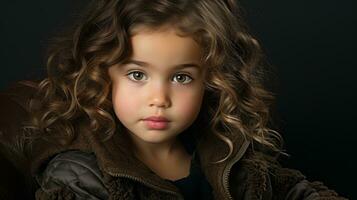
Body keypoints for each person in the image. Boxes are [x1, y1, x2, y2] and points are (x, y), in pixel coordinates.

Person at [22, 0, 346, 199]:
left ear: (211, 81)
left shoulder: (224, 150)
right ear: (102, 75)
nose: (159, 99)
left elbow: (290, 190)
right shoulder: (79, 175)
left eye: (181, 77)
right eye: (137, 75)